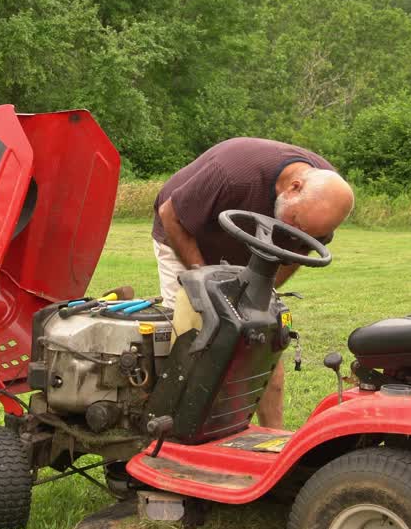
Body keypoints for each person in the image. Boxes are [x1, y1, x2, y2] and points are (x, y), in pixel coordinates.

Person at [151, 137, 355, 429]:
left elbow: (300, 250)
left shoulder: (326, 198)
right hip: (185, 234)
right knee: (192, 338)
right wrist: (209, 289)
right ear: (293, 187)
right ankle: (174, 429)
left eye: (304, 230)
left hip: (251, 252)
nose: (294, 233)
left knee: (261, 339)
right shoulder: (233, 172)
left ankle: (272, 436)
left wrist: (264, 292)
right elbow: (170, 215)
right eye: (295, 222)